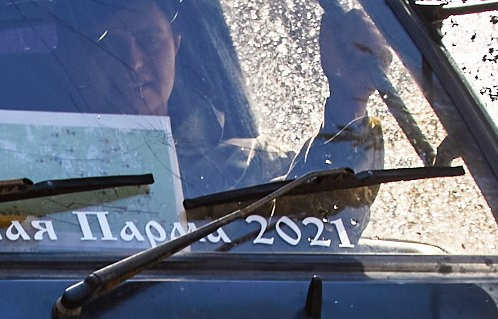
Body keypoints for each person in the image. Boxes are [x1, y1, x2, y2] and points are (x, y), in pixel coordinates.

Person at [49, 0, 392, 199]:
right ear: (74, 59)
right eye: (110, 45)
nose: (134, 61)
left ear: (175, 47)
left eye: (149, 41)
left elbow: (327, 206)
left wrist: (350, 97)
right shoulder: (32, 176)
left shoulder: (247, 167)